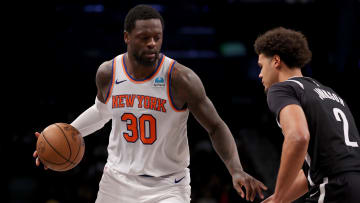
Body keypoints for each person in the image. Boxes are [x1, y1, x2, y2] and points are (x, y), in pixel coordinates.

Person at [34, 5, 267, 203]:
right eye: (144, 38)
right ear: (126, 37)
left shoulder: (180, 79)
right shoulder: (108, 72)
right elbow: (101, 111)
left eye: (157, 37)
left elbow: (215, 126)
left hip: (167, 186)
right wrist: (63, 134)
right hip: (117, 182)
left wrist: (235, 169)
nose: (152, 43)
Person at [254, 27, 360, 203]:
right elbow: (316, 169)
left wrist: (279, 198)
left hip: (333, 187)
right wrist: (277, 199)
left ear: (276, 61)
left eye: (261, 66)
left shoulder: (282, 89)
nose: (260, 74)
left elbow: (298, 137)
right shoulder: (328, 93)